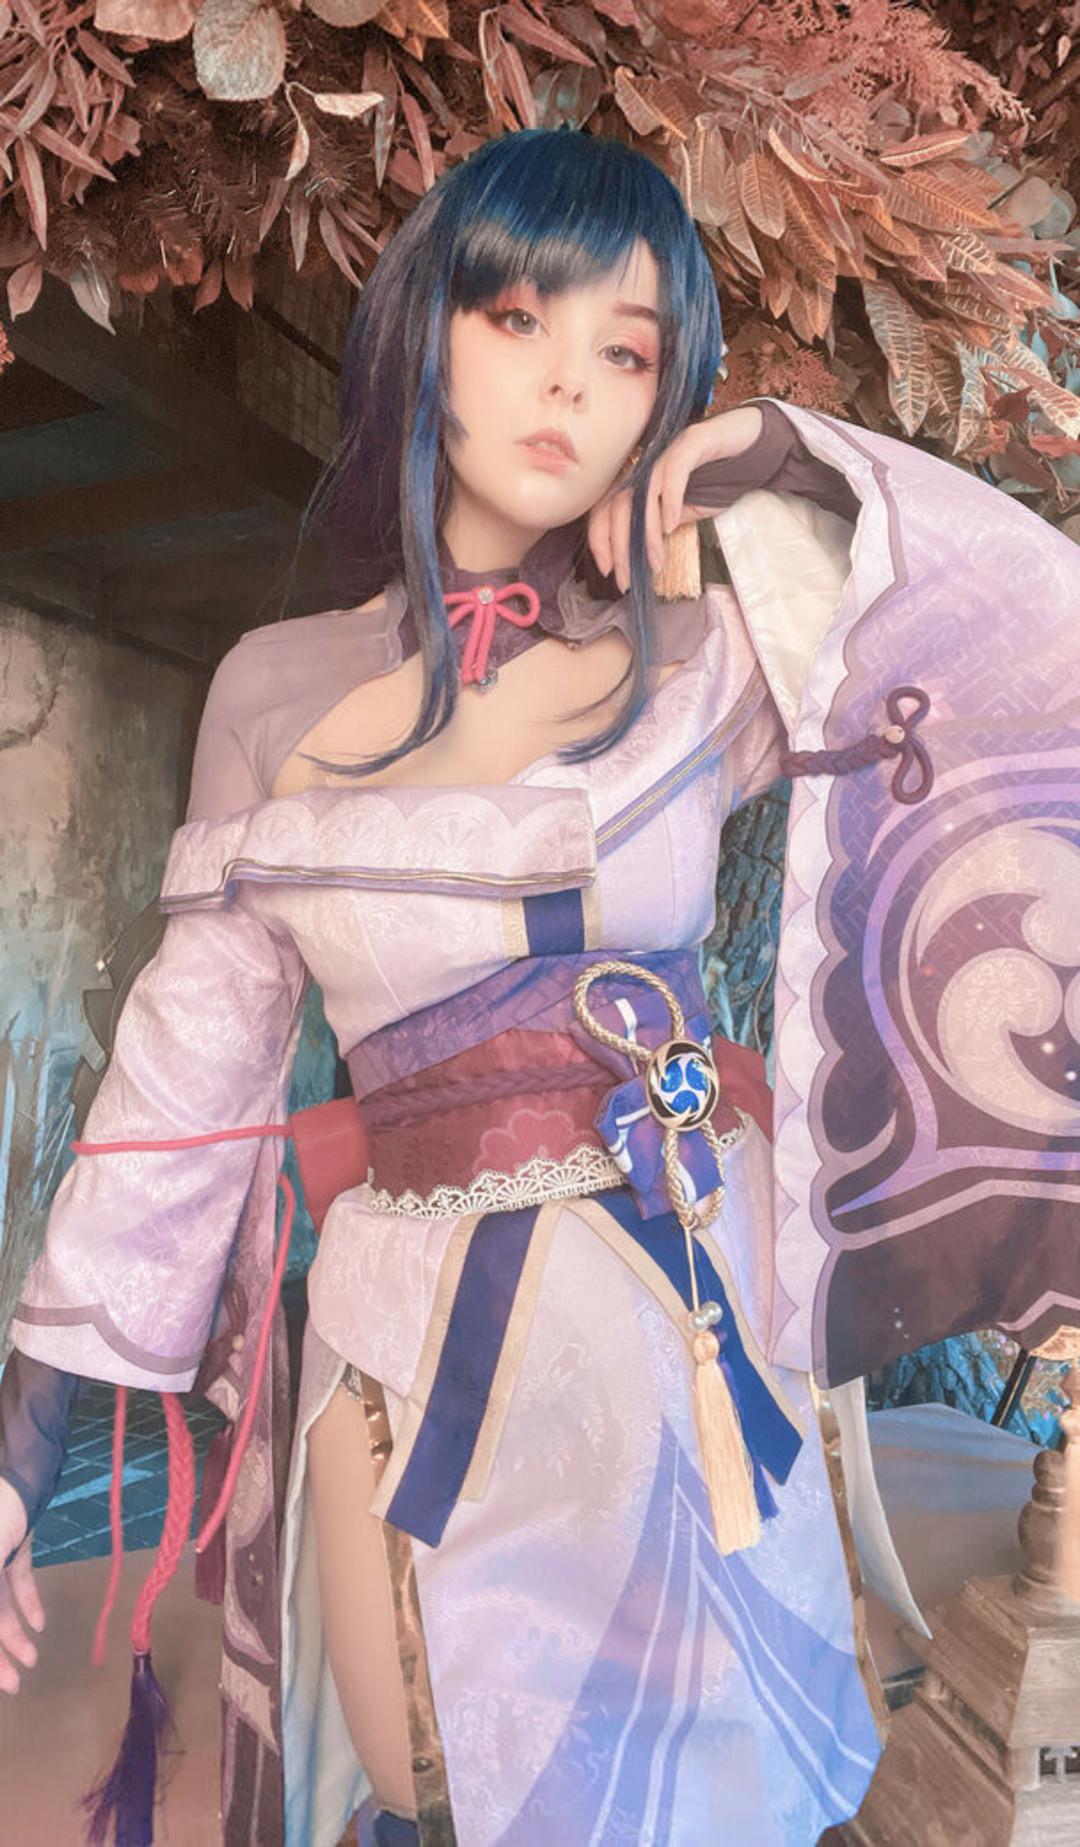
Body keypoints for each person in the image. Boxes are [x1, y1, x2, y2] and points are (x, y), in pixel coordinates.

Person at [1, 128, 1077, 1847]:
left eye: (628, 353)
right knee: (446, 1777)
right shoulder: (269, 694)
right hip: (419, 1342)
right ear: (428, 325)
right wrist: (22, 1435)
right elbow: (182, 1077)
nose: (569, 385)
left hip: (694, 1312)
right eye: (518, 320)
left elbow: (1011, 645)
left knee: (724, 1786)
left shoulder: (707, 659)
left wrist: (762, 458)